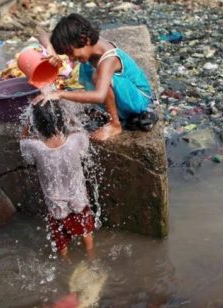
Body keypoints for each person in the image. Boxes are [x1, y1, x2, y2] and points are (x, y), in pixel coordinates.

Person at [34, 13, 157, 141]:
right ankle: (111, 113)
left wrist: (60, 94)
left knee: (97, 76)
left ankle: (115, 124)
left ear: (85, 40)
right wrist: (50, 48)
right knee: (91, 74)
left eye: (70, 53)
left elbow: (99, 96)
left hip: (139, 99)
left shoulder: (108, 59)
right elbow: (40, 32)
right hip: (123, 97)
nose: (70, 58)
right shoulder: (89, 44)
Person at [20, 100, 95, 257]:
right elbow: (81, 132)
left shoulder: (35, 147)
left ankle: (65, 265)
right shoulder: (75, 140)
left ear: (37, 126)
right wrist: (70, 117)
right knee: (85, 230)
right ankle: (91, 257)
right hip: (78, 198)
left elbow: (23, 141)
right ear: (62, 120)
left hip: (55, 203)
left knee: (60, 240)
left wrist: (27, 122)